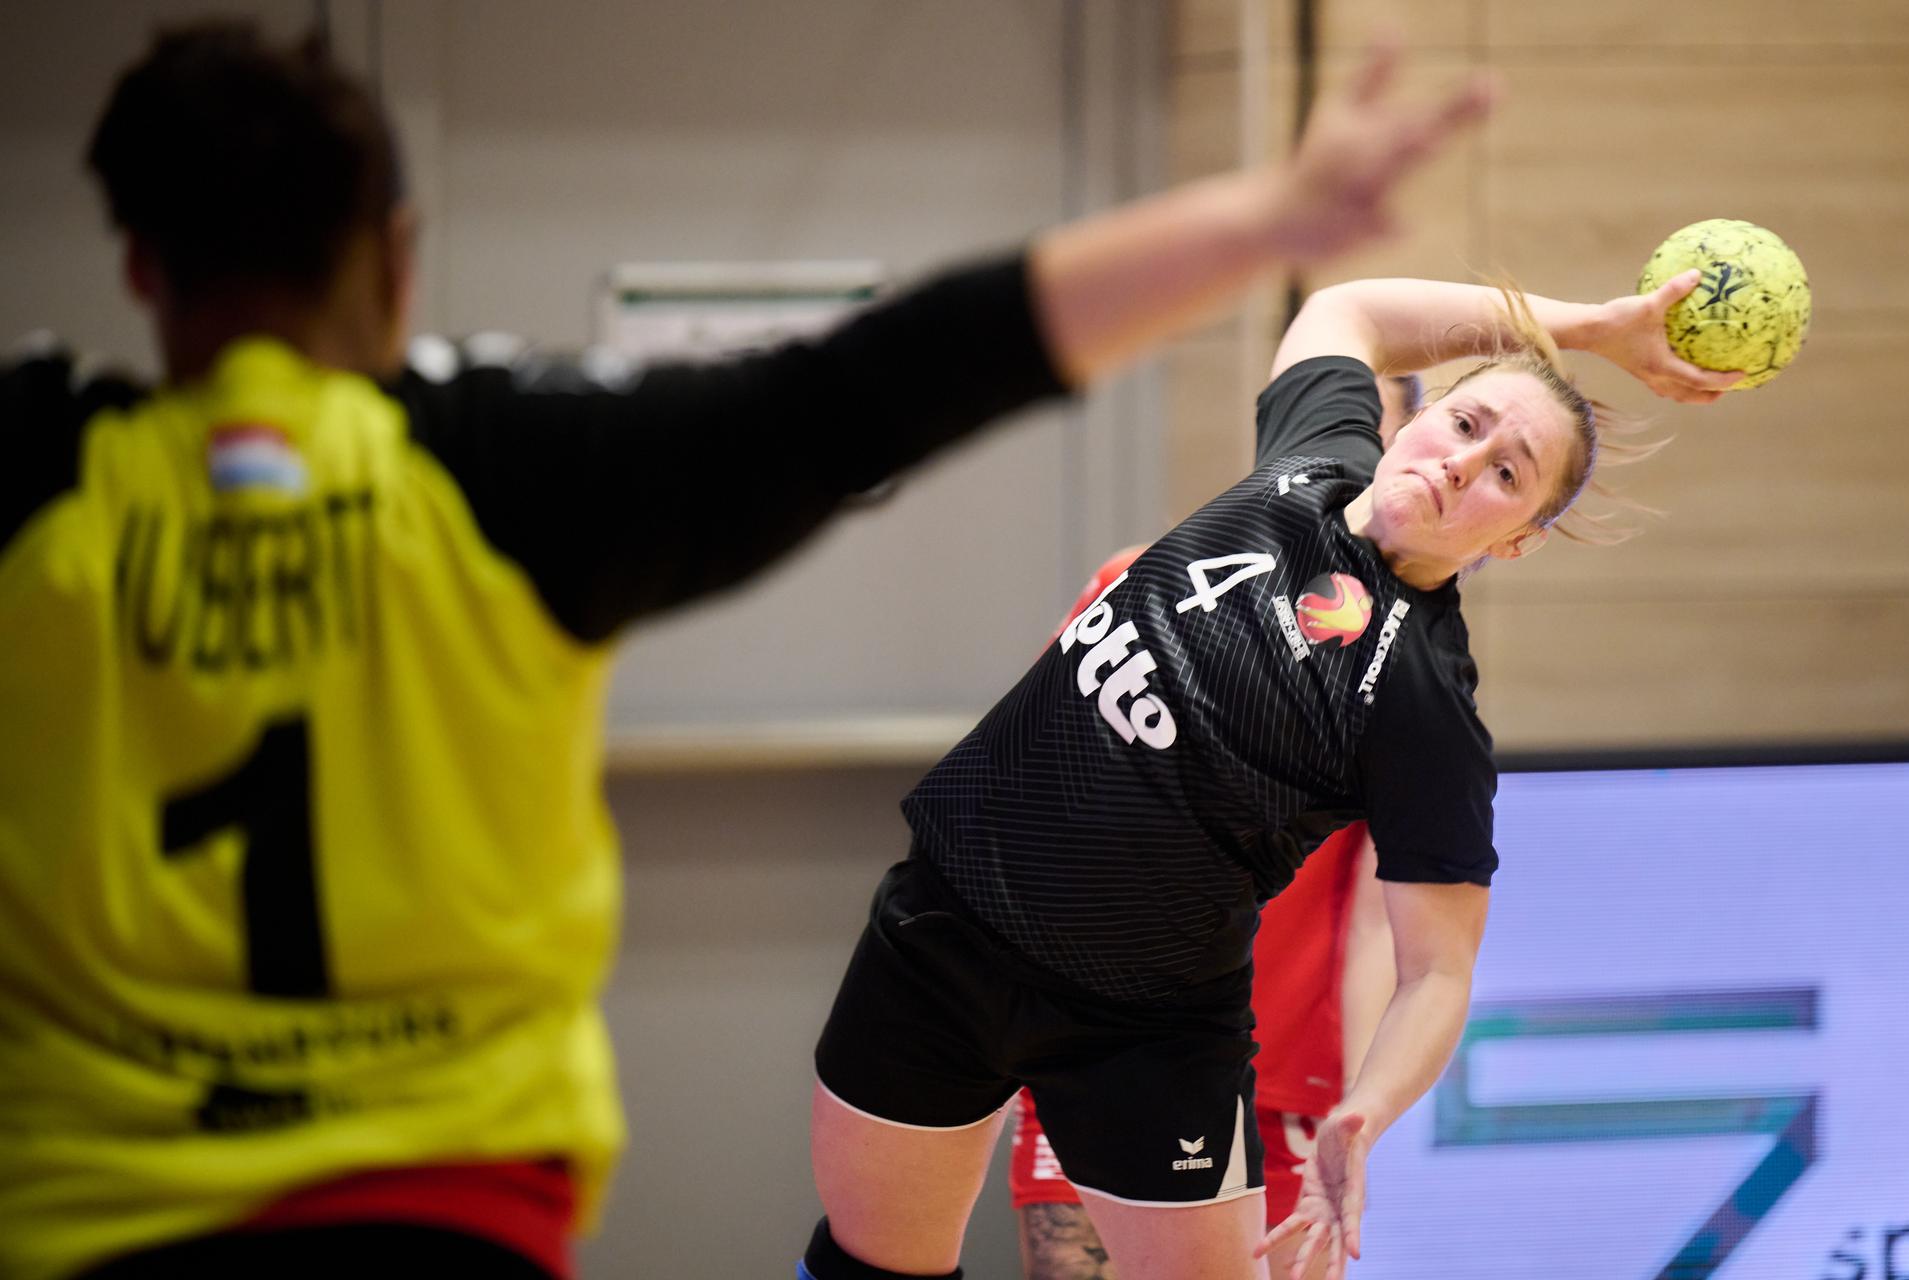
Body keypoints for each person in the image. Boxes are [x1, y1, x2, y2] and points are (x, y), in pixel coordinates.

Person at [0, 19, 1498, 1280]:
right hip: (441, 1189)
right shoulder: (494, 476)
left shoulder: (43, 489)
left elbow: (1428, 933)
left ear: (139, 270)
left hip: (89, 1200)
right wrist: (1262, 224)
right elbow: (859, 390)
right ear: (398, 263)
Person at [802, 252, 1742, 1277]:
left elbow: (1438, 968)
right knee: (868, 1267)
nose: (1466, 464)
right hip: (943, 932)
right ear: (1416, 422)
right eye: (1468, 425)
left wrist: (1365, 1110)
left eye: (1509, 475)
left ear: (1513, 542)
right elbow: (1351, 307)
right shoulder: (1314, 451)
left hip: (1137, 1033)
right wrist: (1593, 326)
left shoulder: (1425, 696)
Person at [1010, 374, 1421, 1280]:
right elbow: (1032, 808)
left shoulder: (1403, 671)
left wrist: (1358, 1110)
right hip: (1093, 1062)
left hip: (1280, 1092)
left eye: (1375, 434)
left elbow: (1376, 926)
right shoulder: (1135, 582)